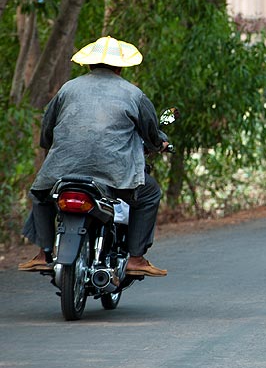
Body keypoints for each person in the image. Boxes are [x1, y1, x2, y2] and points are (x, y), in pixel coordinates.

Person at [18, 35, 168, 277]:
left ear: (89, 64)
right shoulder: (134, 94)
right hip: (114, 175)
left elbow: (47, 128)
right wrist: (158, 143)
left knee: (40, 194)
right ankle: (136, 259)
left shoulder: (68, 88)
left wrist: (48, 147)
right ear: (120, 66)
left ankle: (43, 254)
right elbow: (150, 132)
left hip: (62, 170)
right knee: (150, 193)